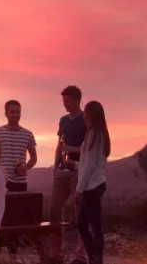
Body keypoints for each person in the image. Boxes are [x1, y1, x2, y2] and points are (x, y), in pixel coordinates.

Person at [0, 99, 38, 256]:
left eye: (18, 111)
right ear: (6, 114)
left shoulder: (28, 134)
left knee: (16, 220)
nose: (16, 114)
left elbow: (33, 158)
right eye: (13, 111)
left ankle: (12, 254)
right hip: (1, 182)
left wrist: (26, 167)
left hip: (20, 183)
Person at [50, 85, 89, 264]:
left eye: (67, 101)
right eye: (63, 101)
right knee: (54, 211)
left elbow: (90, 148)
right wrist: (55, 166)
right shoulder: (63, 120)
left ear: (76, 100)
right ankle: (57, 253)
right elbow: (59, 144)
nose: (64, 104)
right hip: (61, 171)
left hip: (78, 171)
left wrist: (71, 149)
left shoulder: (86, 120)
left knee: (80, 212)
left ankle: (81, 255)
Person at [70, 101, 110, 264]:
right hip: (93, 185)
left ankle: (97, 259)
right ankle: (94, 257)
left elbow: (91, 165)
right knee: (84, 224)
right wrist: (75, 165)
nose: (84, 115)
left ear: (92, 114)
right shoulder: (97, 134)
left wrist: (79, 189)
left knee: (94, 226)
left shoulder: (95, 134)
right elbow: (89, 163)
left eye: (86, 112)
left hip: (91, 187)